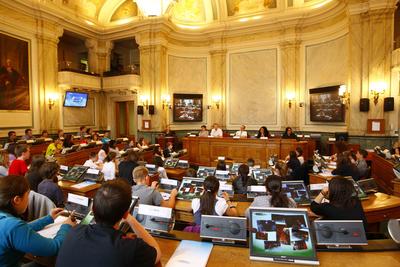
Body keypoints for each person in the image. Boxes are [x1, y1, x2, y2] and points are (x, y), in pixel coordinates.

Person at [55, 179, 161, 267]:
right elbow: (157, 253)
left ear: (93, 208)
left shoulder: (73, 232)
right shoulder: (130, 248)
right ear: (125, 214)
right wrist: (131, 219)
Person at [0, 175, 75, 267]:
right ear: (17, 200)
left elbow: (22, 228)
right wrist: (66, 226)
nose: (28, 200)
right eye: (27, 195)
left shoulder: (6, 220)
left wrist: (49, 218)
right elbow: (53, 247)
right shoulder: (12, 226)